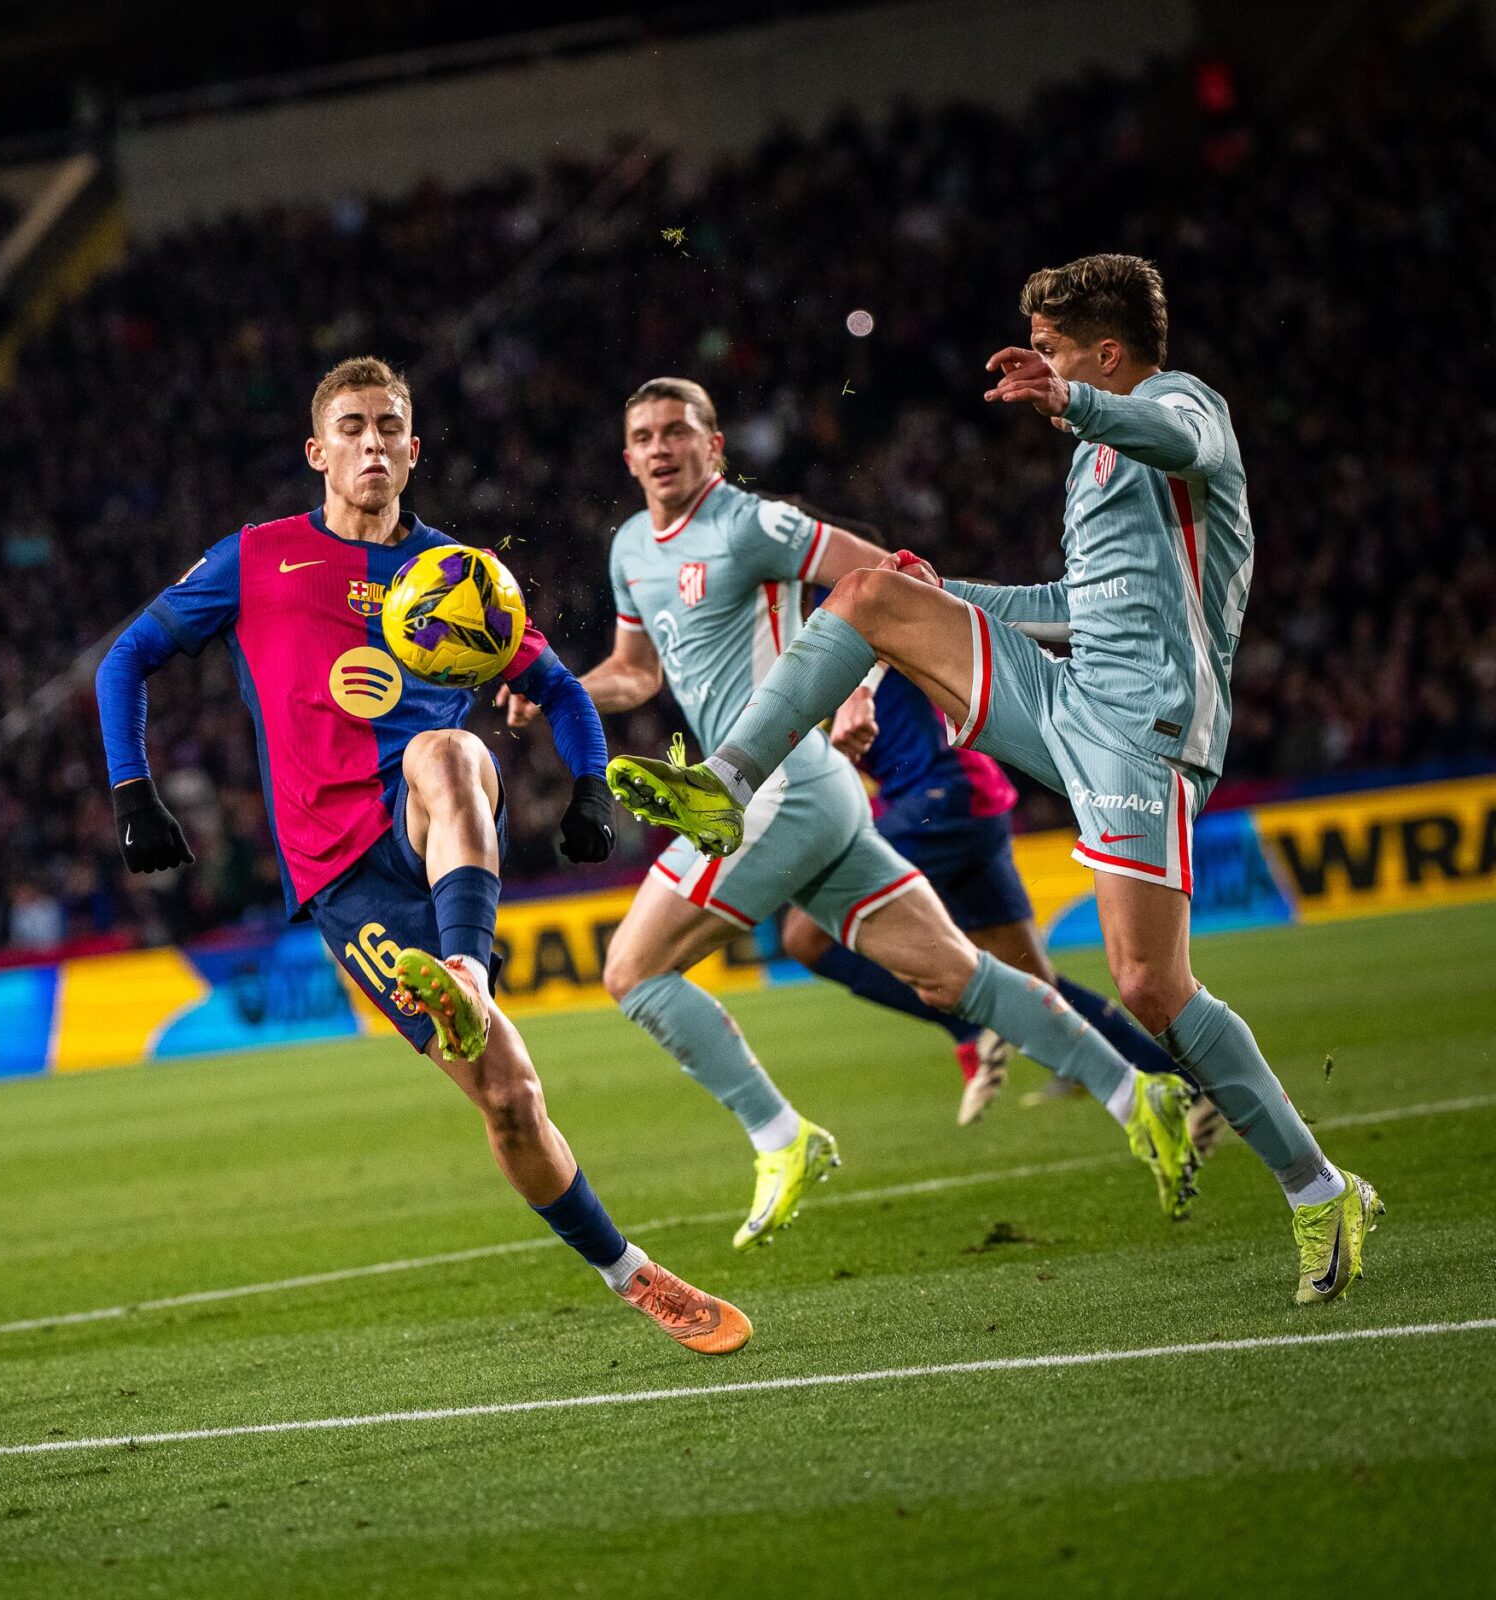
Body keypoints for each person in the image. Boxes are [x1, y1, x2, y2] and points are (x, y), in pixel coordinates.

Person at [618, 256, 1381, 1303]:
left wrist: (1073, 399)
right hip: (1066, 691)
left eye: (1058, 351)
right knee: (873, 592)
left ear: (1105, 354)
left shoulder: (1174, 404)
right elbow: (1077, 600)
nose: (1042, 369)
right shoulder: (1094, 459)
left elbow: (1181, 438)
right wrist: (952, 593)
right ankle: (726, 777)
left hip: (1143, 728)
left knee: (1149, 984)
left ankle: (1317, 1187)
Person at [94, 356, 751, 1355]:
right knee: (512, 1100)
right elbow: (124, 656)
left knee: (450, 749)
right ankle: (632, 1274)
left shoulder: (460, 575)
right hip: (343, 873)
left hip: (433, 823)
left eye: (388, 426)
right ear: (317, 451)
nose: (371, 442)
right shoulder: (259, 559)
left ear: (413, 448)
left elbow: (564, 689)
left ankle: (462, 968)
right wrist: (131, 792)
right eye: (351, 427)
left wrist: (584, 782)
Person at [510, 377, 1195, 1252]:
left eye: (677, 432)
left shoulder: (753, 525)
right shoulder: (632, 548)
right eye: (643, 435)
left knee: (634, 973)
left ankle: (779, 1136)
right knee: (956, 975)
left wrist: (863, 688)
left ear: (714, 447)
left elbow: (885, 582)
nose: (659, 448)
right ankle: (1140, 1093)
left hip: (780, 783)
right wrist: (557, 688)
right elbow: (637, 673)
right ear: (627, 455)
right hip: (801, 795)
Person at [789, 661, 1202, 1134]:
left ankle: (970, 1028)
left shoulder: (833, 605)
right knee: (1033, 983)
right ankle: (1177, 1081)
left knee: (807, 936)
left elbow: (889, 604)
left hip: (937, 797)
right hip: (970, 795)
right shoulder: (809, 626)